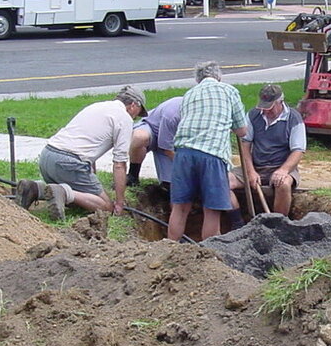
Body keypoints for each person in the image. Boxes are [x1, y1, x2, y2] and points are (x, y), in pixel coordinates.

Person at [15, 85, 147, 220]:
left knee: (82, 199)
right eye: (139, 112)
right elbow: (120, 164)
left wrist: (91, 180)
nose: (136, 116)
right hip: (68, 163)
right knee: (105, 206)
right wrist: (119, 203)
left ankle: (35, 189)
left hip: (47, 156)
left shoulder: (98, 106)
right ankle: (63, 192)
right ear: (133, 105)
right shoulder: (124, 118)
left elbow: (91, 148)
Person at [168, 62, 247, 241]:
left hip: (183, 153)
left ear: (198, 79)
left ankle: (169, 250)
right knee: (211, 209)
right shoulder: (228, 90)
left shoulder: (189, 94)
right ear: (219, 77)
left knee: (180, 207)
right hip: (212, 154)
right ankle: (207, 259)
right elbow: (242, 130)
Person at [229, 84, 306, 218]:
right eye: (263, 107)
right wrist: (251, 172)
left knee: (283, 185)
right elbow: (245, 145)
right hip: (257, 166)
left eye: (269, 108)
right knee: (223, 182)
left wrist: (283, 170)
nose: (265, 111)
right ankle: (237, 222)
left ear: (280, 102)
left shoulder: (294, 118)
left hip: (281, 167)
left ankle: (278, 224)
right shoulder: (253, 115)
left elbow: (298, 151)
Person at [127, 95, 183, 188]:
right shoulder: (172, 114)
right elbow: (167, 149)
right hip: (153, 130)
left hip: (171, 141)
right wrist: (185, 165)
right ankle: (133, 175)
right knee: (140, 137)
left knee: (171, 187)